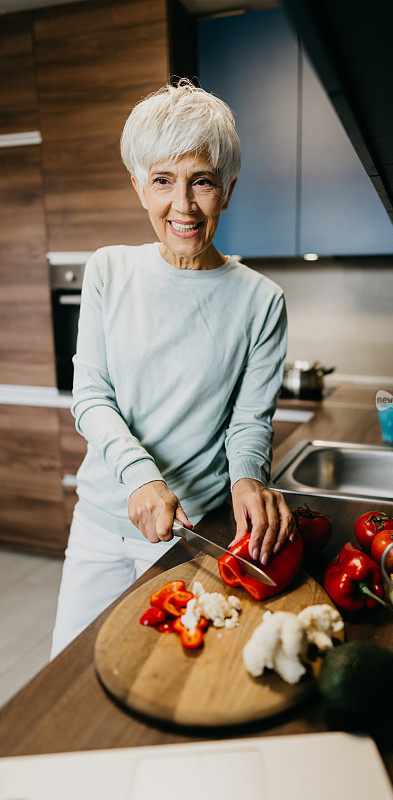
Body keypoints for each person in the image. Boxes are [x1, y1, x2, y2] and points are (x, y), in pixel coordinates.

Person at [50, 80, 295, 658]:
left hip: (194, 533)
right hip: (101, 523)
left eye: (202, 181)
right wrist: (140, 477)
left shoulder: (262, 300)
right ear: (139, 186)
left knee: (164, 675)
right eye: (163, 180)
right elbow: (90, 395)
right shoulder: (109, 271)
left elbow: (249, 421)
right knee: (70, 668)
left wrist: (248, 478)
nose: (183, 205)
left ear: (228, 190)